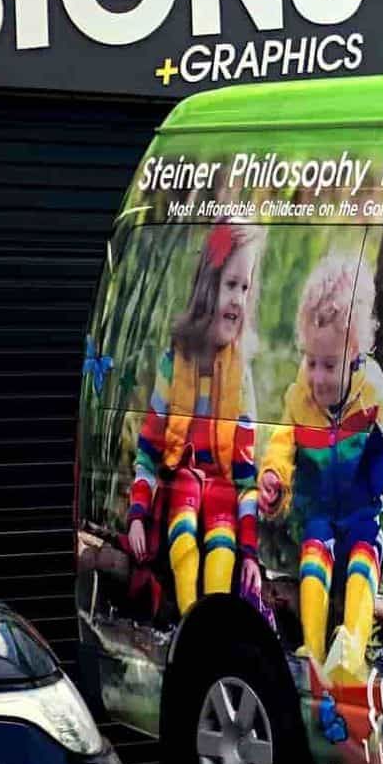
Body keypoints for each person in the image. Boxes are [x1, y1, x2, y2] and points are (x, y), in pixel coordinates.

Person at [258, 253, 383, 681]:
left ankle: (352, 650)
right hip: (320, 507)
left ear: (355, 352)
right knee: (314, 555)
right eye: (310, 362)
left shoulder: (373, 389)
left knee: (364, 555)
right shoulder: (298, 397)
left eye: (330, 365)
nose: (317, 377)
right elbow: (282, 443)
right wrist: (274, 477)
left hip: (360, 508)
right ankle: (312, 648)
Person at [127, 221, 265, 616]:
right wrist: (137, 514)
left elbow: (245, 477)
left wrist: (251, 553)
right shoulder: (175, 363)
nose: (238, 299)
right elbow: (149, 450)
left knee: (223, 540)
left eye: (245, 287)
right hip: (181, 489)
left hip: (221, 492)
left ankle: (214, 620)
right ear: (207, 288)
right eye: (230, 285)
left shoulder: (241, 376)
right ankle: (191, 619)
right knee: (183, 520)